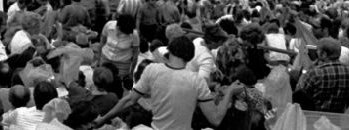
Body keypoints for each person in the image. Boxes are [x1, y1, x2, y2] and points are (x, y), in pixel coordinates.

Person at [93, 35, 243, 129]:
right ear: (190, 58)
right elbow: (215, 119)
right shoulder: (196, 81)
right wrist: (229, 91)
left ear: (169, 51)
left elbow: (128, 101)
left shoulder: (152, 69)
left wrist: (103, 119)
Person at [294, 37, 349, 113]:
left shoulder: (315, 73)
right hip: (337, 116)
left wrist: (307, 70)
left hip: (315, 116)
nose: (317, 53)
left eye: (318, 51)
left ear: (324, 54)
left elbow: (299, 92)